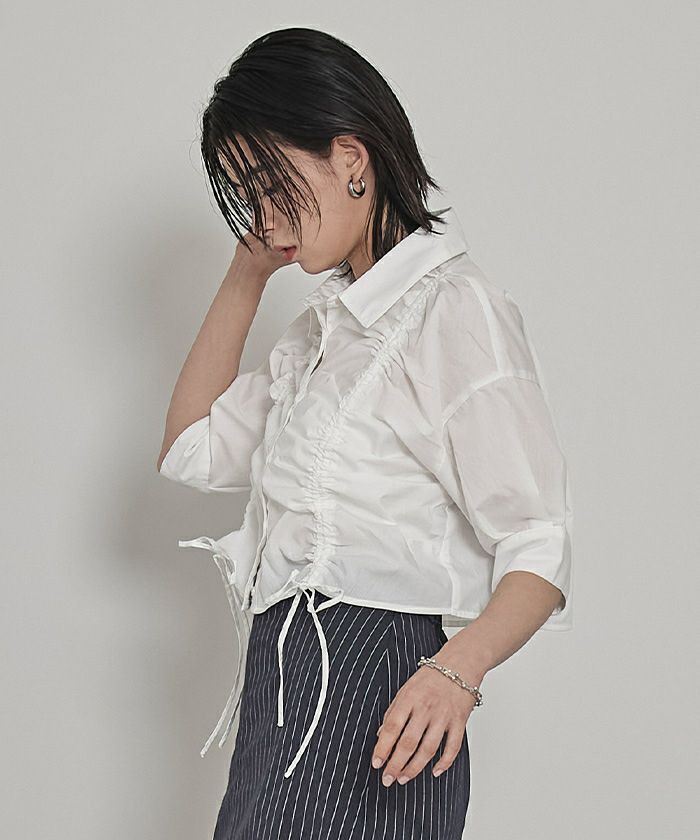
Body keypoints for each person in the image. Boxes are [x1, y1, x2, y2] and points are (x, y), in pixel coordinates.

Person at [157, 26, 573, 840]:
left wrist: (459, 671)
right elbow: (190, 449)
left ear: (351, 158)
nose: (264, 218)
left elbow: (539, 541)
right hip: (279, 686)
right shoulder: (319, 340)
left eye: (270, 185)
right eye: (246, 195)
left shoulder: (454, 309)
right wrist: (247, 271)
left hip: (378, 687)